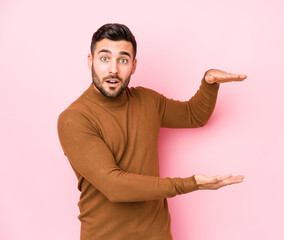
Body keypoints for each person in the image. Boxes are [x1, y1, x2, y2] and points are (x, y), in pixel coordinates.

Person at [57, 23, 247, 240]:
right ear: (90, 61)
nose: (113, 69)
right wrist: (189, 184)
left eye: (123, 60)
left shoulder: (148, 101)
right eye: (104, 58)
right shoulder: (74, 119)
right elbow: (114, 186)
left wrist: (209, 83)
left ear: (134, 65)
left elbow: (193, 115)